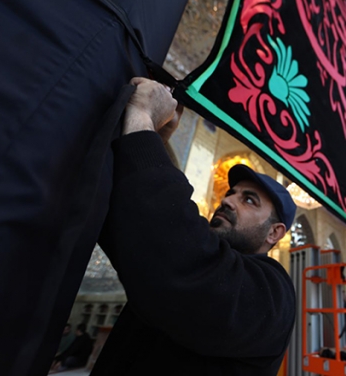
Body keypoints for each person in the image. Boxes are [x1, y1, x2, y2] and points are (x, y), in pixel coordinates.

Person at [90, 78, 297, 375]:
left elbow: (183, 261)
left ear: (274, 232)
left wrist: (142, 120)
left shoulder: (273, 294)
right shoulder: (205, 255)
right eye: (231, 193)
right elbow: (142, 230)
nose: (228, 201)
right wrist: (157, 140)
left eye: (249, 200)